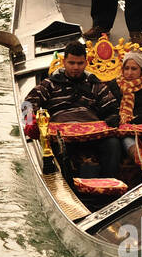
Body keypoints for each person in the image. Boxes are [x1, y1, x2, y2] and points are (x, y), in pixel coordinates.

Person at [22, 41, 122, 179]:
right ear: (64, 62)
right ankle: (64, 182)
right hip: (61, 135)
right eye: (71, 63)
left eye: (80, 63)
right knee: (60, 150)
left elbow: (112, 108)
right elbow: (27, 104)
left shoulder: (95, 85)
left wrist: (112, 119)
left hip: (91, 134)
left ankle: (109, 182)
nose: (76, 67)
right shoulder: (50, 84)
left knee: (113, 144)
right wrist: (30, 122)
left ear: (86, 63)